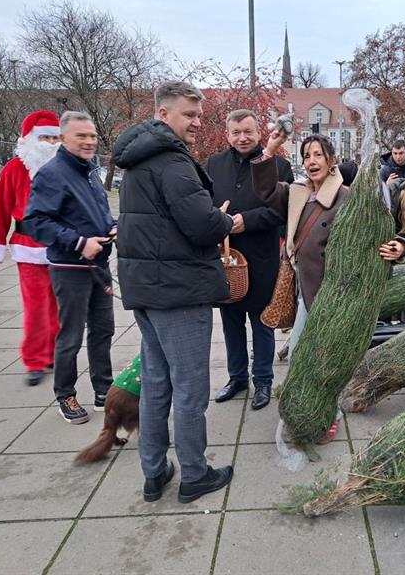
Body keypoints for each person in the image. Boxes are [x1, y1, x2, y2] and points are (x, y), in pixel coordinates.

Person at [113, 81, 236, 504]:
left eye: (199, 115)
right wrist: (224, 221)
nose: (198, 122)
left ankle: (154, 472)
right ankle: (195, 474)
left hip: (148, 289)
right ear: (163, 114)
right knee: (189, 388)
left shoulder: (138, 160)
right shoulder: (171, 161)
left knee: (155, 384)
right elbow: (201, 225)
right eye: (189, 114)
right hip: (178, 292)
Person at [252, 131, 402, 442]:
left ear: (332, 160)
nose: (311, 161)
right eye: (306, 156)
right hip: (304, 290)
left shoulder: (346, 197)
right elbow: (266, 190)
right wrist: (269, 151)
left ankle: (329, 414)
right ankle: (307, 411)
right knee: (302, 355)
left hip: (334, 295)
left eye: (318, 154)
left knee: (325, 359)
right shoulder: (297, 193)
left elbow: (377, 232)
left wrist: (400, 248)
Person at [23, 111, 116, 426]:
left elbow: (96, 213)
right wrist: (78, 243)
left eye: (92, 136)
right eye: (82, 136)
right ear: (63, 139)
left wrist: (112, 226)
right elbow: (35, 222)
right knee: (71, 335)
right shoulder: (52, 174)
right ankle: (66, 394)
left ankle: (104, 390)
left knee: (103, 330)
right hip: (70, 267)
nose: (89, 141)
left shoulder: (89, 171)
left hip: (98, 265)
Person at [208, 109, 292, 410]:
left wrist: (248, 220)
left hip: (261, 259)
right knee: (231, 324)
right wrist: (216, 217)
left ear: (258, 133)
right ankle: (237, 378)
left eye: (248, 131)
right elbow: (203, 203)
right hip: (226, 258)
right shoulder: (214, 164)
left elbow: (283, 210)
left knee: (262, 324)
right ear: (227, 134)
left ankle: (264, 381)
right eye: (236, 132)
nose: (242, 138)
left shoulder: (279, 165)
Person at [0, 111, 61, 385]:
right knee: (36, 307)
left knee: (60, 306)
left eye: (55, 138)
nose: (51, 143)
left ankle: (54, 352)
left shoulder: (66, 167)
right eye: (45, 138)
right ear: (29, 140)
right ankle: (35, 359)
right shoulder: (14, 169)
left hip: (62, 246)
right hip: (29, 248)